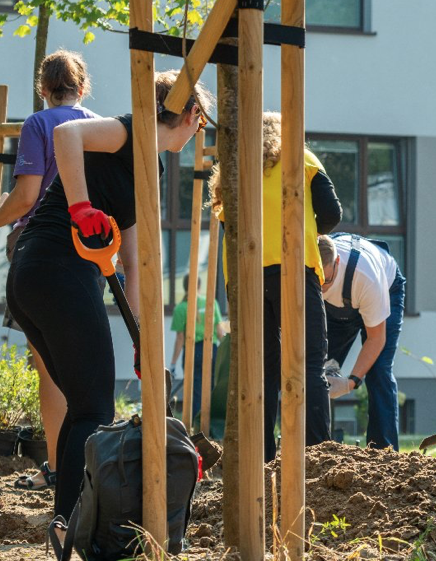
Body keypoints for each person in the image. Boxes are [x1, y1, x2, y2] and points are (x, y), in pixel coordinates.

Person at [4, 70, 211, 539]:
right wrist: (80, 208)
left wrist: (142, 338)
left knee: (84, 406)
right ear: (193, 115)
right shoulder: (129, 129)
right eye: (201, 123)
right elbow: (65, 134)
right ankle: (69, 525)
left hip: (38, 276)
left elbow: (135, 263)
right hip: (55, 268)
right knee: (94, 407)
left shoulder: (148, 168)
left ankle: (66, 524)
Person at [0, 49, 97, 492]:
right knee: (81, 365)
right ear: (82, 87)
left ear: (42, 90)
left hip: (41, 251)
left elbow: (26, 196)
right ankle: (82, 466)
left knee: (48, 367)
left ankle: (56, 468)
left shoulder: (38, 125)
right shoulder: (99, 125)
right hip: (86, 253)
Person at [209, 111, 341, 461]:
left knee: (261, 369)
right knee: (309, 364)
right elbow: (331, 214)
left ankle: (263, 458)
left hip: (249, 279)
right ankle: (315, 455)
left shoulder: (236, 172)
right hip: (295, 269)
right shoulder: (302, 159)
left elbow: (229, 233)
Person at [318, 233, 405, 450]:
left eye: (326, 281)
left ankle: (383, 454)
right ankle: (315, 447)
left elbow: (376, 339)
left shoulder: (367, 278)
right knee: (319, 370)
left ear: (336, 262)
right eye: (315, 282)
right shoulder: (306, 269)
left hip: (384, 289)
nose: (321, 289)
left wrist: (351, 382)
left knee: (378, 370)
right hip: (337, 310)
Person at [168, 271, 228, 424]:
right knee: (212, 387)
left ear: (184, 286)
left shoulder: (181, 308)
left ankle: (196, 424)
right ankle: (211, 423)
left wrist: (173, 363)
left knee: (195, 390)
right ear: (199, 286)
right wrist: (225, 351)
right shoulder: (211, 303)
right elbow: (220, 331)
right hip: (212, 350)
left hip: (192, 351)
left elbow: (180, 338)